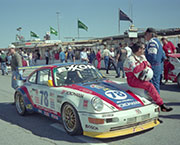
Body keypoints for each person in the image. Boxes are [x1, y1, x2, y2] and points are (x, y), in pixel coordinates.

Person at [124, 42, 173, 112]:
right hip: (132, 80)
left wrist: (144, 65)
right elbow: (135, 70)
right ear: (139, 49)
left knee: (151, 91)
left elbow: (149, 65)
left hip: (143, 77)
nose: (144, 50)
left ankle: (157, 108)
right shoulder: (130, 59)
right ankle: (161, 105)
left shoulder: (142, 56)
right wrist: (144, 64)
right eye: (143, 48)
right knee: (150, 86)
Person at [144, 28, 164, 93]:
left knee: (152, 85)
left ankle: (155, 100)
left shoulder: (152, 43)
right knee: (156, 84)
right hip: (158, 66)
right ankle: (157, 99)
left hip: (152, 66)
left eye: (146, 34)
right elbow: (163, 56)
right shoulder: (159, 42)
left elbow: (152, 57)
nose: (145, 36)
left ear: (150, 34)